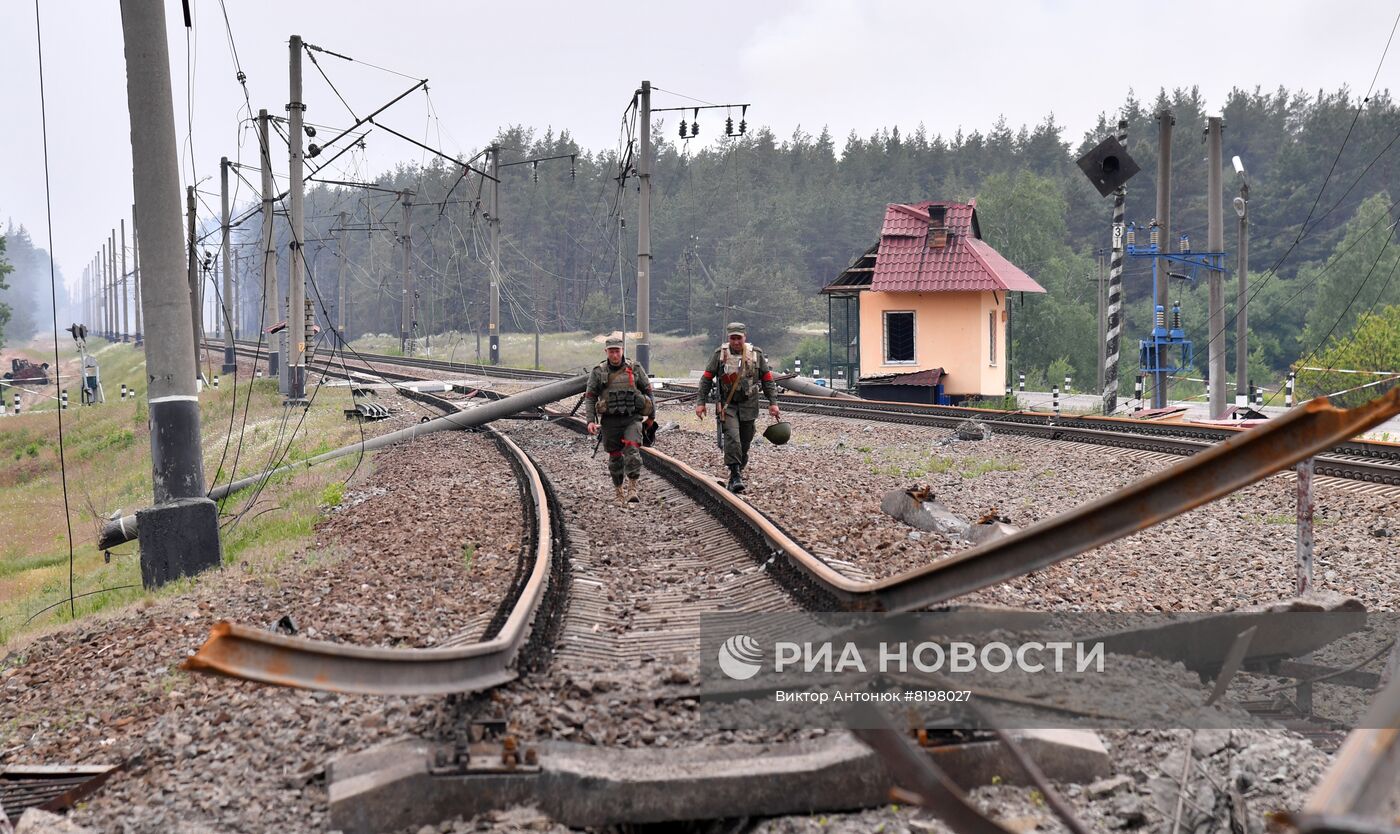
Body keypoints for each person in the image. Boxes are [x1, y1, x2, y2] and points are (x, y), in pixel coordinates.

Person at [695, 322, 780, 493]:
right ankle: (734, 475)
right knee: (732, 438)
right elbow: (706, 378)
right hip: (728, 405)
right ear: (728, 338)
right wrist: (700, 403)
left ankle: (739, 468)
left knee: (745, 441)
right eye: (732, 338)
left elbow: (767, 379)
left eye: (738, 338)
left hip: (749, 405)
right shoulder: (720, 355)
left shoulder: (756, 355)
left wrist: (773, 403)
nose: (735, 342)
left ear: (744, 337)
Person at [585, 336, 654, 503]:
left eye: (617, 351)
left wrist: (652, 417)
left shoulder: (635, 368)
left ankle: (632, 488)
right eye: (611, 351)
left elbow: (649, 392)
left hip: (632, 418)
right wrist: (590, 420)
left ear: (622, 351)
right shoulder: (598, 372)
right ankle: (619, 492)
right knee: (615, 457)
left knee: (632, 451)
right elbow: (590, 397)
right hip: (610, 421)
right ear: (606, 352)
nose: (615, 355)